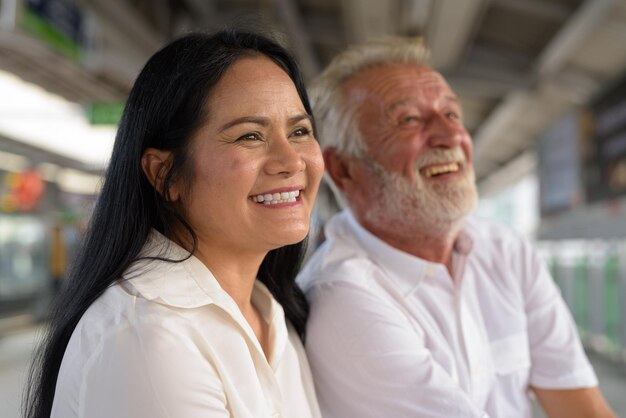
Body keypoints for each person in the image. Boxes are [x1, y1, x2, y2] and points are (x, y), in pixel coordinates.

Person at [297, 37, 616, 418]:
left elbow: (582, 408)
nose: (451, 138)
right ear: (344, 170)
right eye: (409, 120)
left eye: (452, 115)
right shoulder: (343, 298)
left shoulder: (505, 250)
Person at [24, 29, 323, 418]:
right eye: (250, 136)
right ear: (167, 174)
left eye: (299, 131)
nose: (291, 160)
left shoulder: (271, 311)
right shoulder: (148, 336)